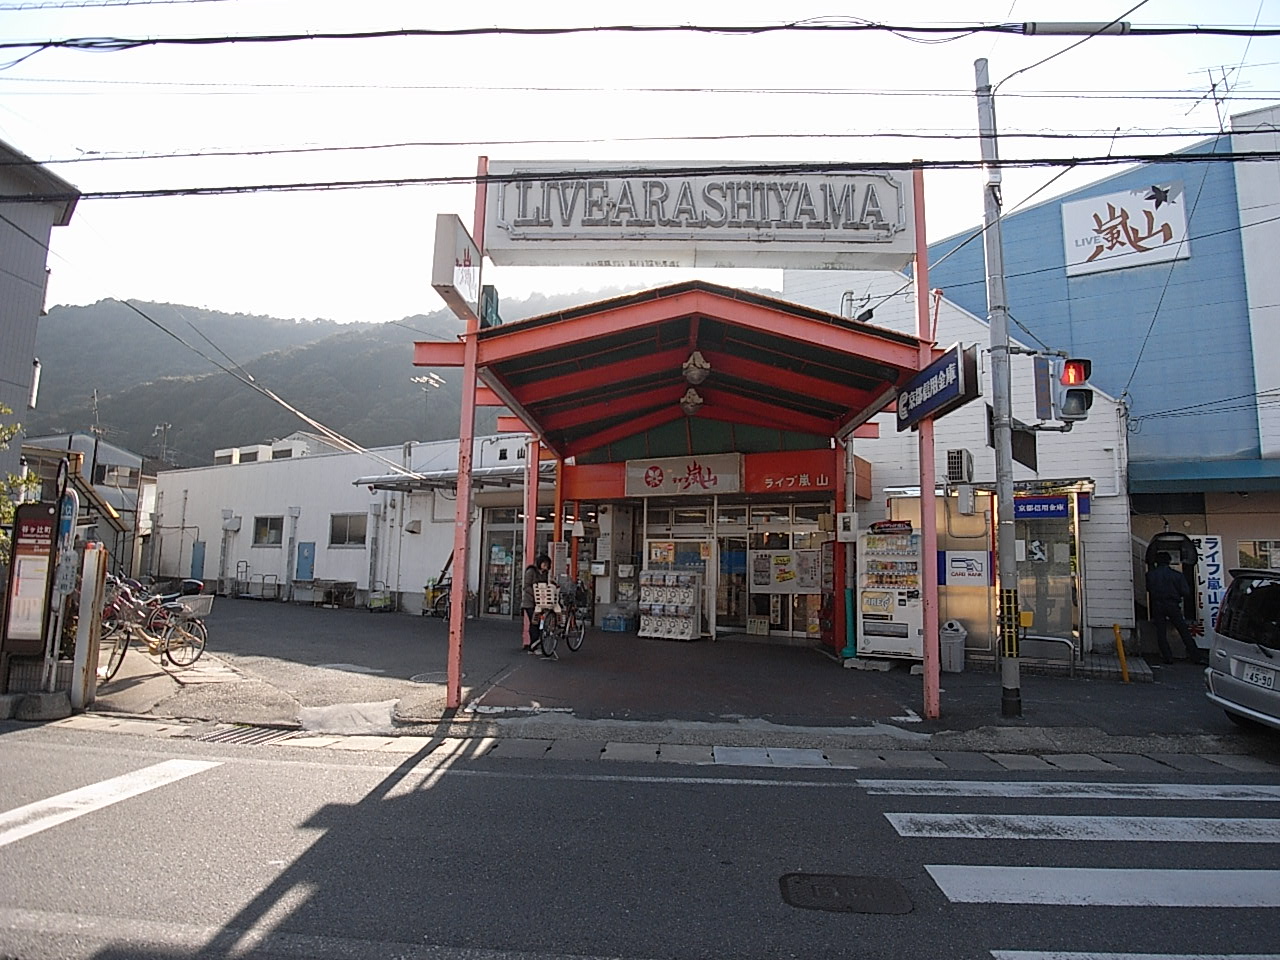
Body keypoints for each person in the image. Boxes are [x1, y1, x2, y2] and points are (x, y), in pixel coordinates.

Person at [1146, 553, 1204, 665]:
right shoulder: (1177, 575)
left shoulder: (1150, 575)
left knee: (1160, 632)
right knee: (1183, 630)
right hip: (1172, 604)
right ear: (1169, 561)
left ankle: (1167, 657)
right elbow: (1185, 591)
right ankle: (1195, 656)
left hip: (1157, 604)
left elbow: (1149, 589)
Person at [521, 553, 551, 652]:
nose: (545, 566)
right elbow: (526, 586)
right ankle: (533, 646)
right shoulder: (531, 571)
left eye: (547, 564)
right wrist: (536, 594)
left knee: (540, 624)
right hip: (529, 603)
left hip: (540, 602)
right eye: (544, 563)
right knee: (534, 622)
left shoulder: (545, 574)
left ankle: (536, 644)